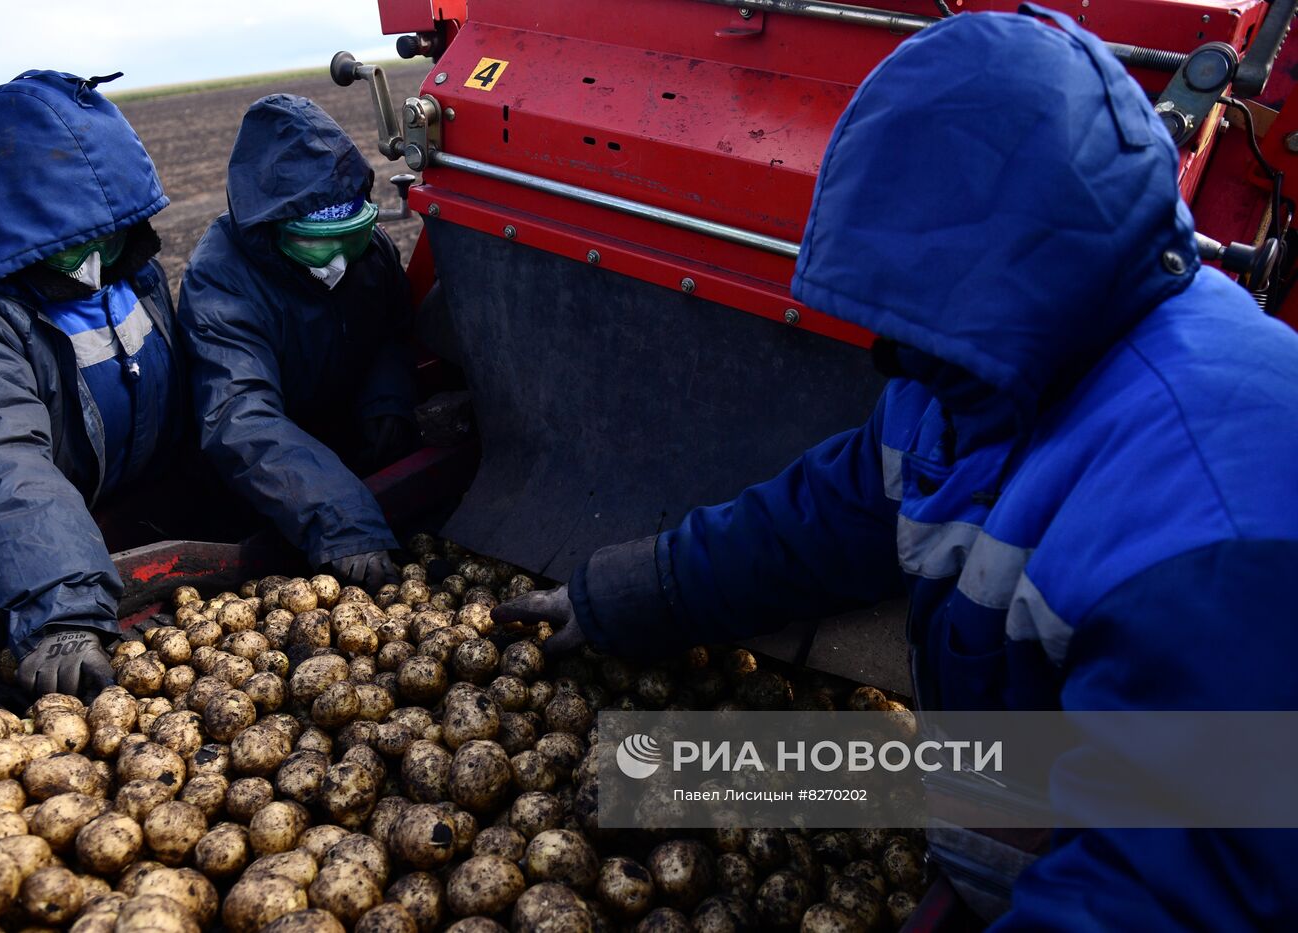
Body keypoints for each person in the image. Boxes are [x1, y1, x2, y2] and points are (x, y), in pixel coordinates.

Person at [493, 7, 1298, 928]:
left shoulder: (1225, 517)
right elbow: (822, 520)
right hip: (995, 810)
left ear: (1018, 262)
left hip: (1081, 861)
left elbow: (1174, 886)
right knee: (647, 770)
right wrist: (623, 596)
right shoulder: (975, 367)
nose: (893, 349)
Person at [0, 71, 183, 696]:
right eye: (70, 248)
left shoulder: (128, 268)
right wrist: (65, 606)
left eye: (107, 240)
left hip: (111, 519)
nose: (94, 263)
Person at [177, 95, 416, 593]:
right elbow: (240, 416)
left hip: (340, 453)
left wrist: (387, 401)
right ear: (271, 229)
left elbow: (393, 329)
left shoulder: (370, 253)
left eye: (350, 237)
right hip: (263, 483)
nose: (339, 260)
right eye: (317, 242)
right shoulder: (221, 281)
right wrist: (342, 517)